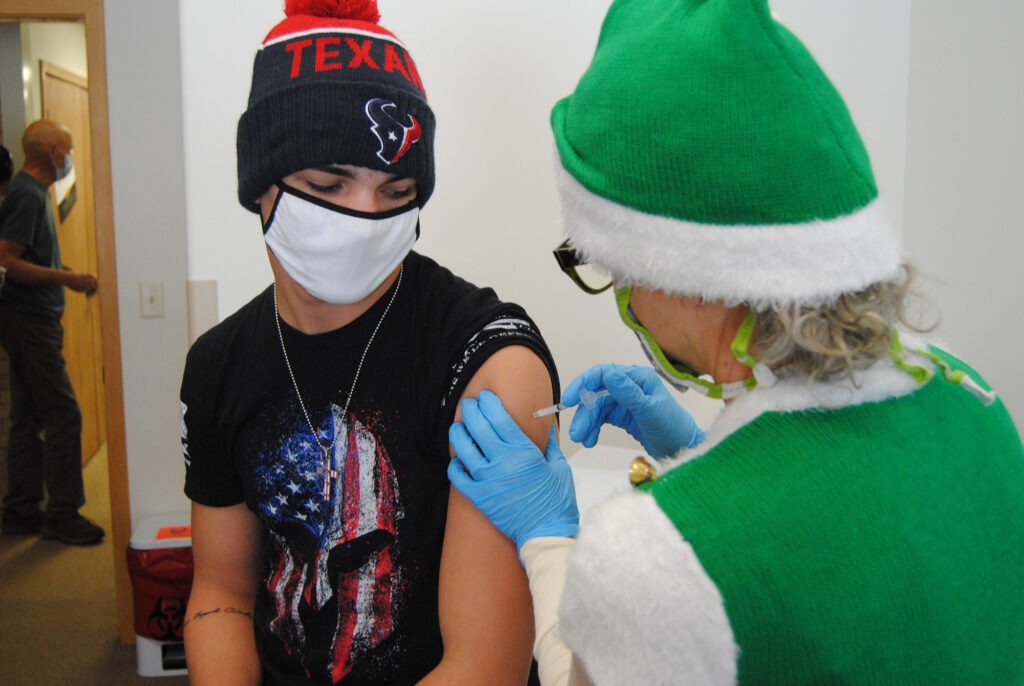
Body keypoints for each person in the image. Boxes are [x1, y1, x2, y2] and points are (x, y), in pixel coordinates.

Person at [447, 1, 1024, 684]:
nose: (625, 299)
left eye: (614, 265)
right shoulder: (970, 397)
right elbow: (834, 554)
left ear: (695, 273)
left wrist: (548, 538)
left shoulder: (651, 557)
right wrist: (696, 450)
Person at [178, 1, 559, 683]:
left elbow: (485, 665)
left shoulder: (488, 361)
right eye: (327, 184)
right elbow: (221, 600)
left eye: (397, 189)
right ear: (260, 185)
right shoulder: (218, 364)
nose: (364, 218)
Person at [0, 120, 102, 546]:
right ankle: (62, 513)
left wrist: (65, 272)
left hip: (29, 319)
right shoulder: (26, 194)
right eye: (70, 149)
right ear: (55, 150)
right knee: (64, 414)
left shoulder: (34, 193)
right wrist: (66, 280)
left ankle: (21, 510)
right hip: (29, 321)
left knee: (25, 418)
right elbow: (8, 260)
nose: (71, 158)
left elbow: (30, 255)